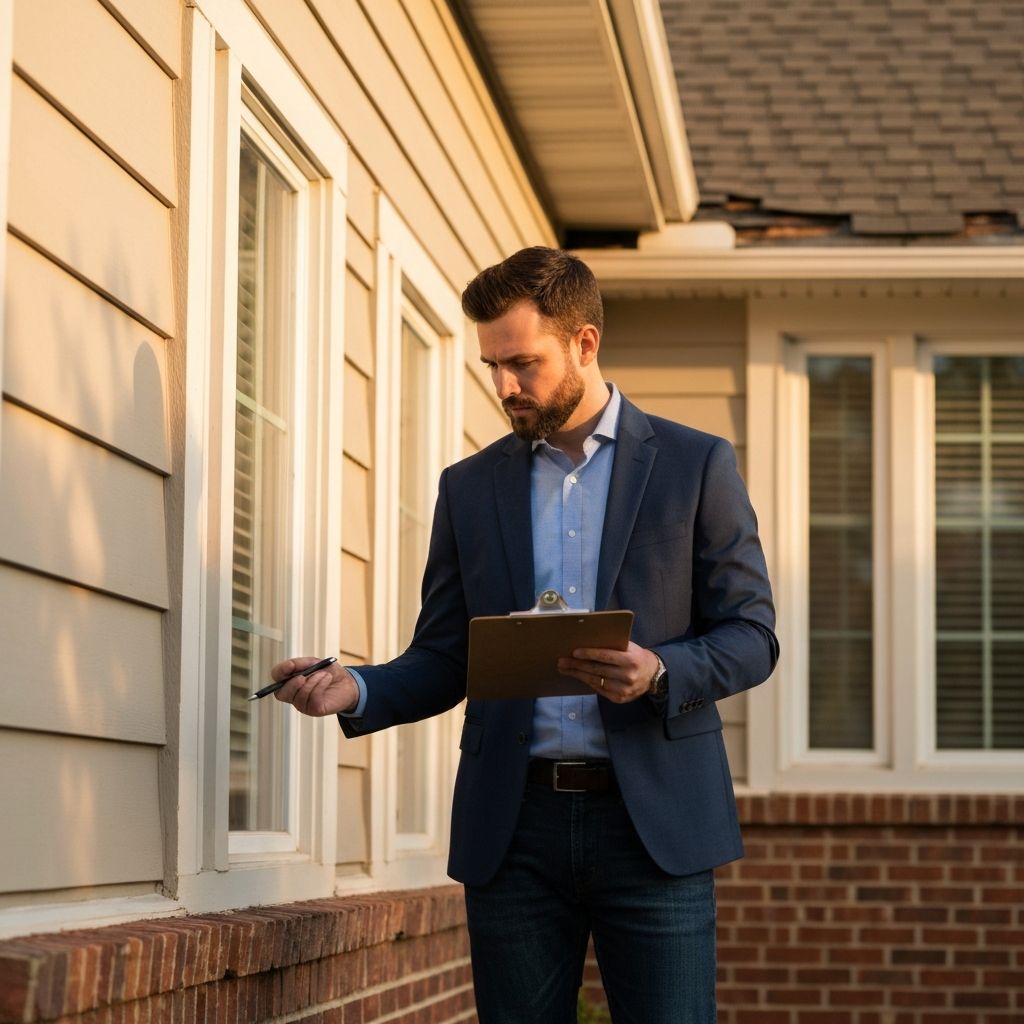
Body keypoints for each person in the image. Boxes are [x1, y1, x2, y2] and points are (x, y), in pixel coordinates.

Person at [271, 246, 778, 1023]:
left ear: (584, 342)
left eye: (523, 363)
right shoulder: (469, 488)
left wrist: (662, 671)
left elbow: (752, 634)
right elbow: (447, 656)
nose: (505, 386)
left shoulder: (695, 464)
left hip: (654, 829)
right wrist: (360, 686)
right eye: (492, 365)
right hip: (515, 830)